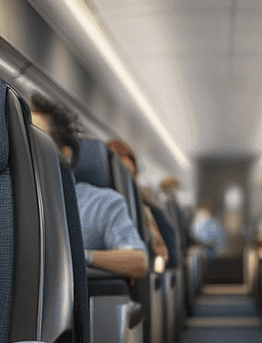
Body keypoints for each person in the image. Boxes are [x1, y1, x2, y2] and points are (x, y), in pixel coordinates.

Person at [29, 96, 148, 281]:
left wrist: (79, 256)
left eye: (35, 140)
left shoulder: (103, 202)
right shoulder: (2, 201)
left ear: (64, 155)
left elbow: (138, 261)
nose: (23, 148)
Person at [108, 138, 169, 266]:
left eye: (131, 175)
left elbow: (160, 252)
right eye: (121, 175)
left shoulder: (146, 211)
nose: (126, 183)